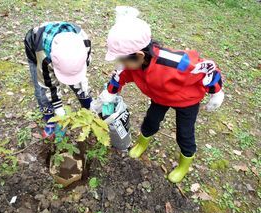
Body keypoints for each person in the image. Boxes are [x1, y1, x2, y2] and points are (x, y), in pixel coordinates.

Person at [100, 7, 225, 183]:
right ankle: (142, 143)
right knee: (151, 120)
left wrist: (216, 92)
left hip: (186, 100)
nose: (121, 63)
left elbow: (207, 70)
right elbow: (120, 75)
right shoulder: (133, 64)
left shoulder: (176, 63)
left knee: (185, 133)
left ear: (139, 55)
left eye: (122, 59)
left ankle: (184, 163)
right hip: (160, 97)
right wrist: (110, 93)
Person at [24, 21, 92, 139]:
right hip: (35, 49)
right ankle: (50, 118)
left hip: (67, 53)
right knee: (42, 93)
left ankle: (89, 110)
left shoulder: (84, 41)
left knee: (79, 84)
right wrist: (59, 109)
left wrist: (82, 79)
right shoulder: (44, 56)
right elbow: (49, 85)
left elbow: (84, 63)